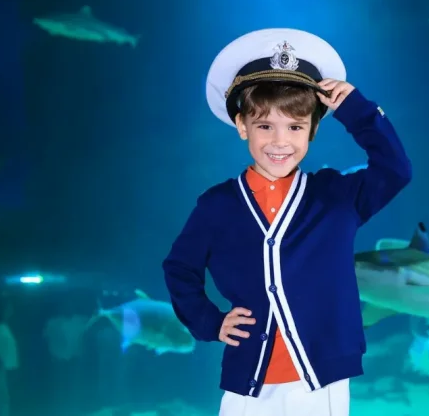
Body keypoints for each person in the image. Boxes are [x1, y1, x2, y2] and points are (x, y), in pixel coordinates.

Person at [162, 28, 412, 416]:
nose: (280, 141)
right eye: (265, 126)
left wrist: (357, 111)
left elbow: (396, 169)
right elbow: (180, 267)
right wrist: (210, 322)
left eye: (295, 127)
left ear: (313, 129)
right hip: (249, 380)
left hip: (322, 380)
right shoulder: (218, 205)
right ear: (242, 126)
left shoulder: (337, 197)